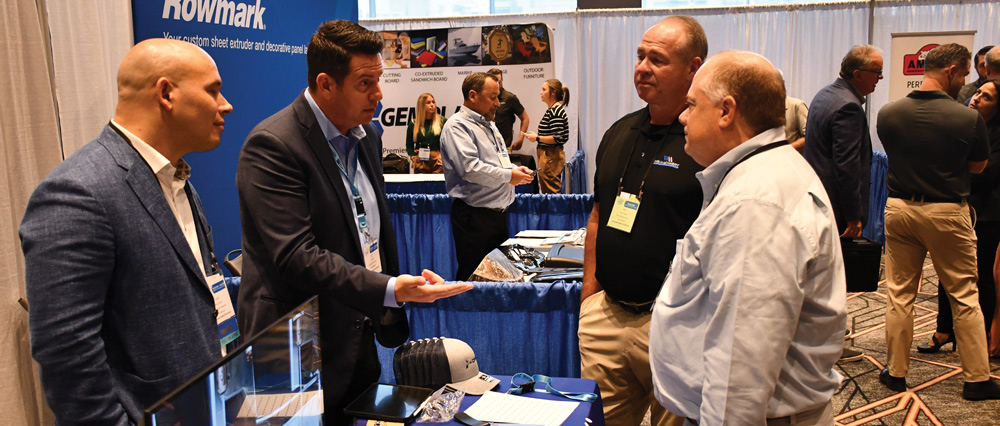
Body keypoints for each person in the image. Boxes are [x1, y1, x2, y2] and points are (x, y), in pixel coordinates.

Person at [235, 21, 473, 424]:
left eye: (380, 80)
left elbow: (368, 229)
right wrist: (391, 288)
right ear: (325, 84)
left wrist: (390, 287)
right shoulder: (274, 145)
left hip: (357, 331)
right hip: (293, 345)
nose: (379, 95)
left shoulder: (367, 137)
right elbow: (296, 256)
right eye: (366, 83)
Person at [19, 38, 233, 425]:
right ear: (166, 93)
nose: (225, 105)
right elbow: (68, 362)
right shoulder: (77, 194)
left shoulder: (178, 179)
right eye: (213, 90)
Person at [650, 49, 846, 426]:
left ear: (726, 111)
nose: (682, 116)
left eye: (692, 104)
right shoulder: (760, 176)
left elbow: (741, 364)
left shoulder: (756, 203)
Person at [580, 16, 707, 426]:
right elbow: (599, 215)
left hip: (674, 324)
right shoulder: (619, 131)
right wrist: (589, 296)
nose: (642, 67)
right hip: (607, 316)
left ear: (694, 68)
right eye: (640, 56)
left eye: (658, 59)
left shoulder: (707, 142)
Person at [877, 43, 1000, 400]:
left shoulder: (889, 113)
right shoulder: (967, 118)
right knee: (964, 293)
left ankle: (895, 372)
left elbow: (895, 154)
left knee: (899, 294)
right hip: (947, 211)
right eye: (964, 73)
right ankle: (976, 379)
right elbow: (978, 167)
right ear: (951, 71)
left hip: (899, 208)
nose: (965, 81)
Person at [803, 45, 882, 363]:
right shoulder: (848, 106)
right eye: (876, 72)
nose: (878, 79)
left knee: (820, 277)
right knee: (832, 279)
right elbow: (847, 167)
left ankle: (820, 338)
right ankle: (829, 345)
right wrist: (854, 215)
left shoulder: (825, 94)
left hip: (818, 200)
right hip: (836, 208)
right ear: (858, 74)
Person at [920, 79, 1000, 357]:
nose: (976, 97)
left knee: (981, 276)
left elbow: (985, 175)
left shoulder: (996, 135)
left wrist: (952, 171)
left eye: (986, 97)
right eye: (978, 92)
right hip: (955, 206)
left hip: (987, 214)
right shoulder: (964, 124)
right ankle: (944, 330)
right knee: (945, 272)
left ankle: (983, 337)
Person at [440, 72, 535, 281]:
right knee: (475, 281)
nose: (498, 103)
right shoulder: (457, 126)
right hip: (474, 219)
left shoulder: (489, 124)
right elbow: (470, 169)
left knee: (496, 281)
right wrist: (509, 176)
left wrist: (514, 169)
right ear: (473, 95)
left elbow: (498, 160)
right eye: (492, 97)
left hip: (496, 216)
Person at [524, 79, 570, 193]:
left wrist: (537, 138)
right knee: (548, 189)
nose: (541, 92)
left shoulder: (556, 111)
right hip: (548, 155)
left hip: (550, 155)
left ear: (553, 92)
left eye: (544, 89)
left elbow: (557, 138)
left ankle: (555, 211)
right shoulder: (554, 110)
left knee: (552, 191)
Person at [486, 68, 530, 150]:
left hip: (505, 148)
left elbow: (525, 118)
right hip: (487, 148)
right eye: (494, 81)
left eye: (499, 81)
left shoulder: (509, 98)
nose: (498, 84)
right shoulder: (484, 98)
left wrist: (521, 137)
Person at [406, 92, 446, 173]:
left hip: (438, 161)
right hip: (420, 160)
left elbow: (448, 142)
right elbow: (409, 144)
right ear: (422, 106)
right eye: (428, 103)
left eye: (433, 102)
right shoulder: (414, 124)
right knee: (420, 185)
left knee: (438, 184)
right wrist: (412, 156)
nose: (432, 105)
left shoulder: (442, 121)